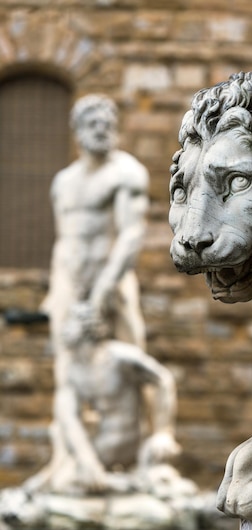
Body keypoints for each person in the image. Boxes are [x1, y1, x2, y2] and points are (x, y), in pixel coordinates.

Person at [25, 302, 180, 495]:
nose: (63, 329)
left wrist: (163, 432)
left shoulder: (119, 356)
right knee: (62, 461)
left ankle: (120, 483)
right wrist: (87, 460)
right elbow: (68, 418)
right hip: (103, 443)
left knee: (67, 481)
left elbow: (162, 379)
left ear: (87, 325)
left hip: (130, 439)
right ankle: (121, 484)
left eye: (70, 323)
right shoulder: (74, 370)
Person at [43, 94, 149, 352]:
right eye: (93, 124)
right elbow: (64, 238)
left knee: (130, 355)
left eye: (107, 124)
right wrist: (58, 286)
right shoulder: (63, 182)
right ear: (78, 132)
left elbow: (131, 234)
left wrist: (103, 289)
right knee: (67, 358)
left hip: (111, 278)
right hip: (70, 279)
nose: (101, 130)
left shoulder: (126, 173)